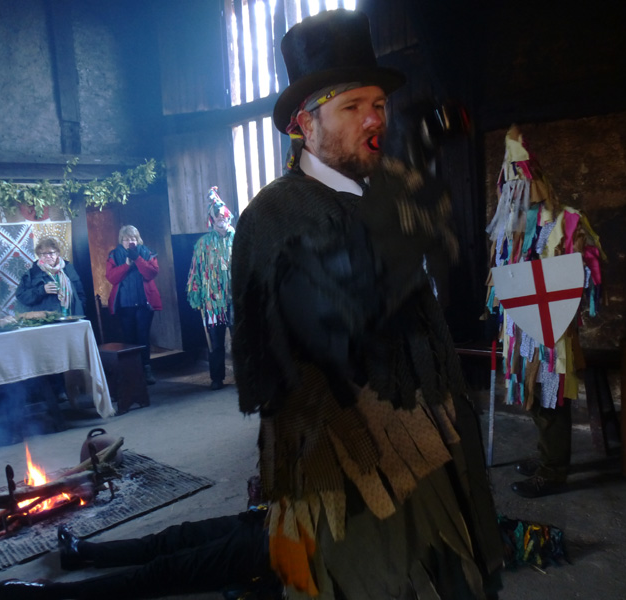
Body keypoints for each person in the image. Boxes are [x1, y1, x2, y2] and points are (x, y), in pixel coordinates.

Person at [231, 9, 502, 600]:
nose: (375, 118)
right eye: (352, 107)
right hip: (344, 469)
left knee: (456, 576)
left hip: (429, 437)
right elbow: (334, 319)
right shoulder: (274, 215)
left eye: (378, 104)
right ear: (305, 124)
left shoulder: (378, 195)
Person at [483, 126, 605, 498]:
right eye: (508, 184)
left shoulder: (565, 220)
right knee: (534, 394)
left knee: (551, 395)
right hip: (521, 326)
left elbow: (584, 272)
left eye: (519, 182)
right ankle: (546, 456)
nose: (513, 191)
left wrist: (576, 252)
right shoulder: (511, 229)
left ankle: (553, 471)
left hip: (552, 327)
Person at [0, 478, 281, 600]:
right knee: (177, 536)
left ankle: (55, 593)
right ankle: (84, 552)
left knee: (166, 570)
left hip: (278, 550)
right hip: (268, 523)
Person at [16, 236, 86, 404]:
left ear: (58, 253)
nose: (47, 256)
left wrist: (79, 309)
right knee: (53, 357)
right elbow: (22, 296)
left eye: (51, 253)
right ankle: (59, 391)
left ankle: (78, 392)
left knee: (72, 355)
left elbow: (80, 292)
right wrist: (42, 290)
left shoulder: (68, 269)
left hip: (69, 319)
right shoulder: (33, 273)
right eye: (43, 254)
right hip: (48, 323)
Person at [186, 187, 235, 391]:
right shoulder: (203, 244)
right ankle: (217, 378)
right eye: (216, 215)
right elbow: (195, 271)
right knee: (215, 342)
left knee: (241, 340)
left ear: (228, 216)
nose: (220, 218)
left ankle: (246, 377)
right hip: (213, 301)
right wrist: (196, 293)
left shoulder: (239, 238)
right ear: (211, 219)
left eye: (222, 214)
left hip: (236, 298)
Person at [106, 225, 162, 386]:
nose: (130, 242)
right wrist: (126, 265)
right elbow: (111, 277)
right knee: (129, 339)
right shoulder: (114, 255)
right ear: (121, 240)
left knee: (143, 337)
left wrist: (137, 259)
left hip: (144, 304)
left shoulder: (147, 252)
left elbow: (151, 273)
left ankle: (146, 369)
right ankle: (132, 371)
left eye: (133, 239)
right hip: (125, 305)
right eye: (126, 239)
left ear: (138, 240)